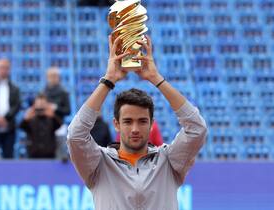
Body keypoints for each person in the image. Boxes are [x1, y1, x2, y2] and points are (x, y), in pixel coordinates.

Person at [67, 35, 207, 209]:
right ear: (116, 124)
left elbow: (197, 128)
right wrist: (108, 80)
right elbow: (75, 136)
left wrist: (156, 78)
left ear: (151, 124)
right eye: (127, 121)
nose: (135, 129)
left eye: (142, 121)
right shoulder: (99, 163)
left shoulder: (169, 161)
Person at [20, 93, 62, 158]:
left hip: (49, 152)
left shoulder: (51, 118)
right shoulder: (31, 118)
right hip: (34, 152)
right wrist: (26, 118)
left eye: (43, 104)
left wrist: (53, 116)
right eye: (38, 104)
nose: (40, 107)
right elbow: (22, 127)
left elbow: (59, 126)